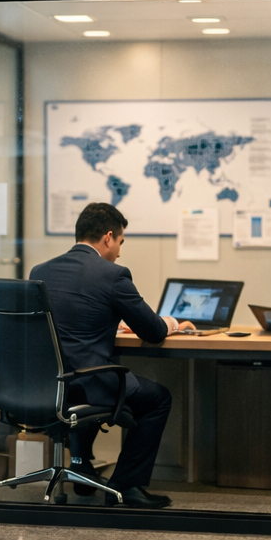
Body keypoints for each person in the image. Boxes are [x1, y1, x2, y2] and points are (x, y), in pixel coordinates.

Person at [30, 202, 195, 510]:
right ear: (108, 237)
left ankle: (81, 467)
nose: (119, 252)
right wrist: (174, 322)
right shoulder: (113, 275)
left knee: (90, 379)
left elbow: (67, 321)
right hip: (89, 383)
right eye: (120, 242)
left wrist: (109, 322)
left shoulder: (40, 272)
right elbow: (154, 331)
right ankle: (126, 485)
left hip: (47, 385)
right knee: (158, 398)